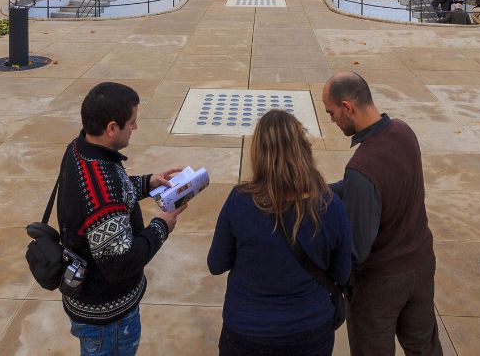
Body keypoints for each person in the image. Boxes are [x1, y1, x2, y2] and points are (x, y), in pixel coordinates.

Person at [57, 82, 188, 355]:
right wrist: (162, 225)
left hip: (89, 304)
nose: (135, 128)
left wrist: (148, 183)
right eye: (132, 123)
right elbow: (120, 264)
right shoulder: (102, 190)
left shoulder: (80, 149)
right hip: (108, 320)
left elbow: (109, 189)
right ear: (111, 128)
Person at [208, 110, 352, 356]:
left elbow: (216, 264)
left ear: (259, 153)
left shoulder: (240, 201)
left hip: (247, 331)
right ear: (303, 148)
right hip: (310, 330)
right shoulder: (331, 206)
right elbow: (342, 272)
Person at [321, 72, 442, 356]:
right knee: (425, 348)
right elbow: (377, 185)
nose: (332, 121)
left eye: (332, 113)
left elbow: (356, 250)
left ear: (348, 107)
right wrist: (320, 189)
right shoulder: (403, 132)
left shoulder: (362, 166)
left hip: (380, 284)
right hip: (421, 266)